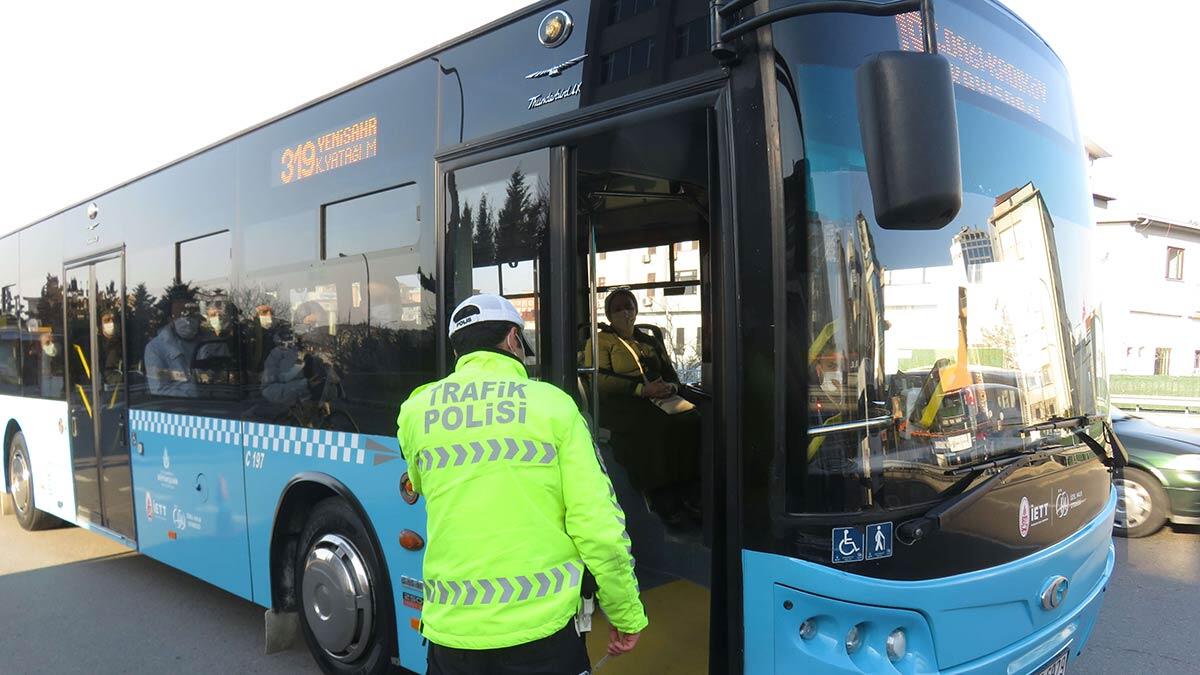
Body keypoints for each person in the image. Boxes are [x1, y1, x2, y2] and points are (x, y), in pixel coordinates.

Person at [397, 293, 646, 674]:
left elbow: (420, 483)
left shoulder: (416, 412)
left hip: (450, 637)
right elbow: (598, 528)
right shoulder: (554, 407)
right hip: (542, 638)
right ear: (514, 339)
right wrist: (625, 613)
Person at [582, 288, 700, 526]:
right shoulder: (600, 341)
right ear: (608, 314)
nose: (625, 312)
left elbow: (671, 375)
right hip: (622, 403)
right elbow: (600, 381)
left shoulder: (649, 341)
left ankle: (689, 490)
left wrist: (670, 388)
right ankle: (661, 499)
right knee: (656, 428)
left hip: (660, 399)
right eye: (618, 308)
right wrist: (641, 390)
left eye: (629, 306)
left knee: (694, 419)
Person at [145, 299, 201, 397]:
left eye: (191, 315)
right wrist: (193, 393)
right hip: (184, 409)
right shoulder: (155, 348)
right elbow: (160, 390)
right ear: (170, 320)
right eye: (181, 315)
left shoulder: (212, 342)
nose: (187, 320)